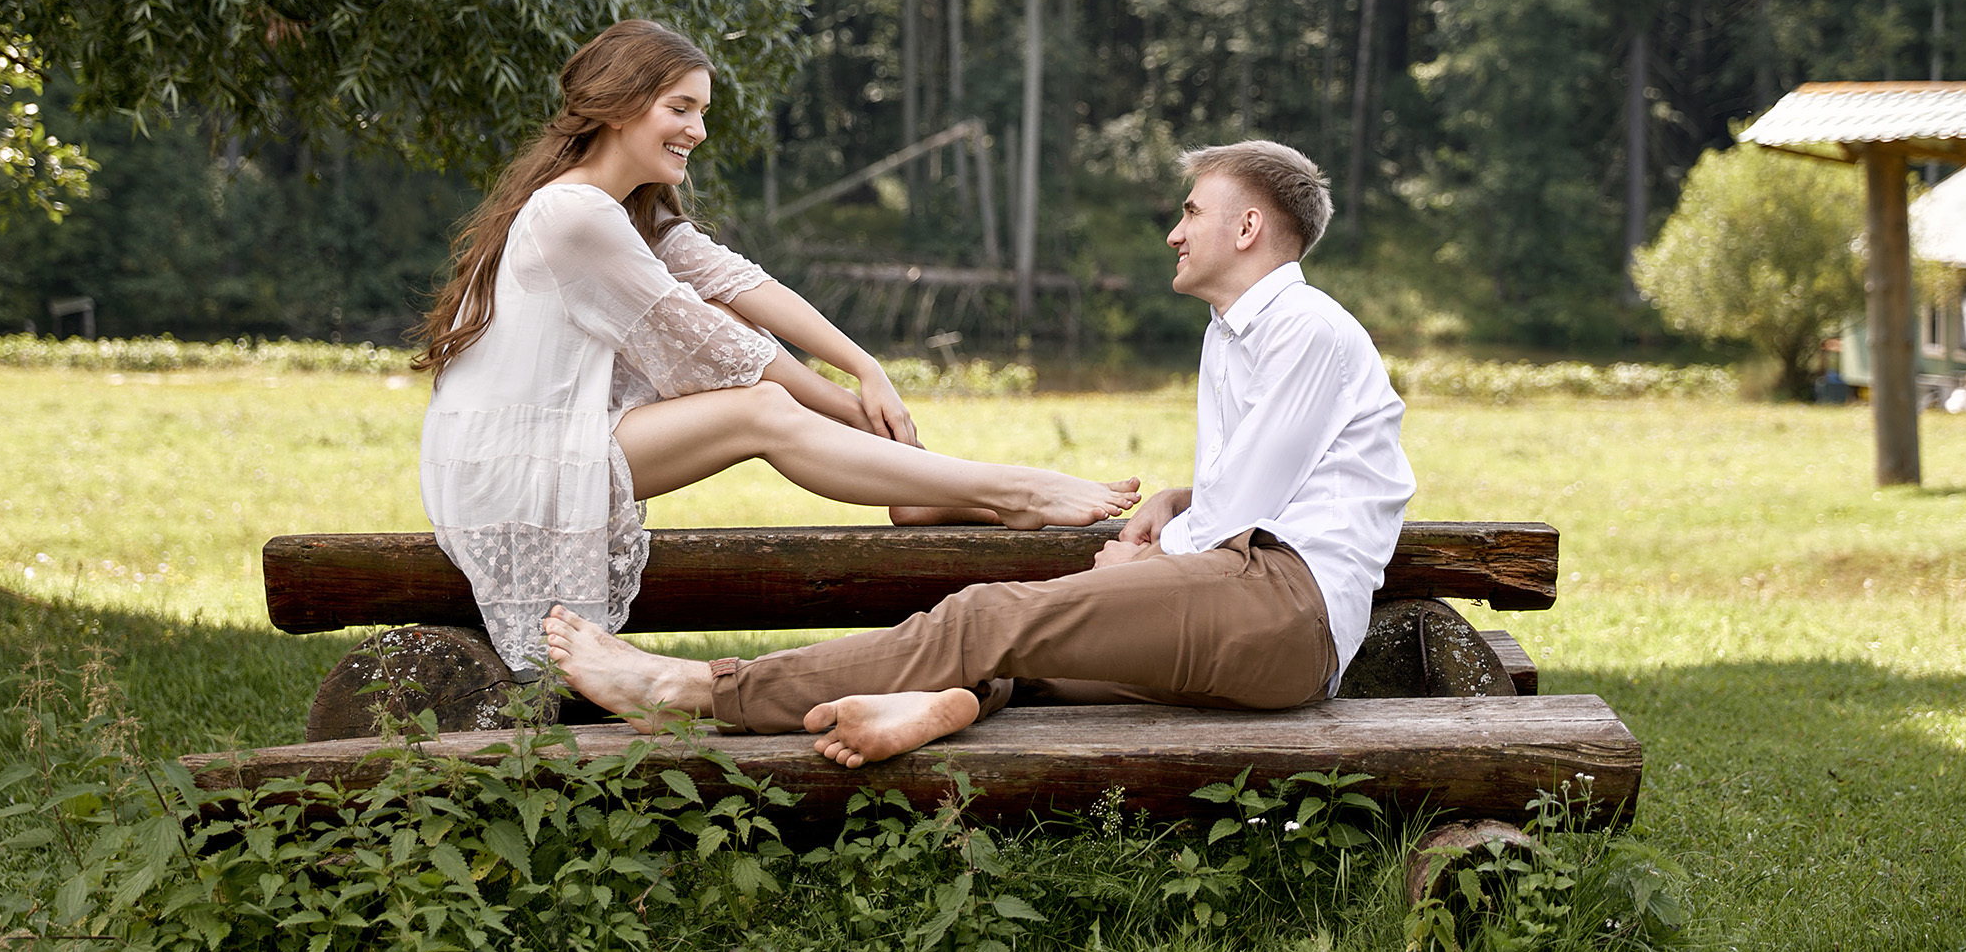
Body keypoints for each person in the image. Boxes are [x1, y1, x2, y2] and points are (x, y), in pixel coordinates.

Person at [542, 139, 1416, 765]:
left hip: (1278, 610)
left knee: (987, 616)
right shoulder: (1235, 334)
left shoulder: (1305, 326)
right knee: (1023, 662)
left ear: (1249, 226)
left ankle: (698, 692)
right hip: (1259, 604)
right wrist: (1178, 503)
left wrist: (1135, 563)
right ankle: (939, 703)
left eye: (1192, 212)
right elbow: (1266, 482)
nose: (1174, 232)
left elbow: (1250, 511)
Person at [412, 20, 1138, 674]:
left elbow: (738, 282)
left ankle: (954, 487)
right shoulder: (574, 216)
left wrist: (866, 366)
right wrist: (854, 413)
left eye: (702, 112)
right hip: (512, 464)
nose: (697, 129)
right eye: (681, 108)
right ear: (617, 106)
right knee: (759, 406)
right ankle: (1010, 488)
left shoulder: (633, 209)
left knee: (758, 377)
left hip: (554, 440)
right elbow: (709, 344)